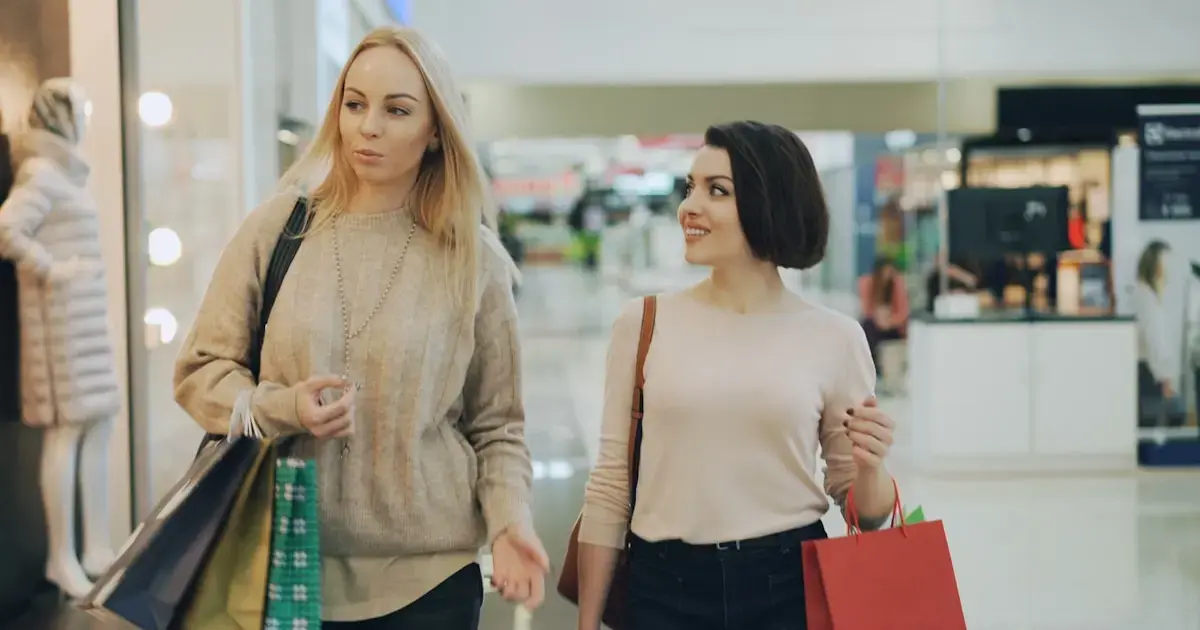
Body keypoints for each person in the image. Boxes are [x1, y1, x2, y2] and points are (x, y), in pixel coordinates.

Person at [173, 26, 548, 629]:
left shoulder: (471, 261)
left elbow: (497, 425)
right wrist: (281, 406)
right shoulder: (278, 229)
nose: (367, 126)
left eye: (396, 110)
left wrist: (511, 522)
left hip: (431, 582)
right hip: (279, 564)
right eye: (354, 104)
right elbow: (200, 372)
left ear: (434, 132)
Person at [574, 122, 898, 630]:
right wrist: (587, 624)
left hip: (790, 583)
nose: (689, 207)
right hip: (663, 588)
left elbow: (864, 508)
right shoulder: (643, 323)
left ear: (770, 203)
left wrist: (873, 466)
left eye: (717, 191)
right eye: (690, 188)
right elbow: (611, 483)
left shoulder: (834, 337)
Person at [1133, 240, 1183, 428]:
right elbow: (1155, 340)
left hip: (1146, 370)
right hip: (1151, 373)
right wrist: (1165, 376)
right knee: (1153, 425)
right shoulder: (1148, 298)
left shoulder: (1142, 294)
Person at [858, 257, 909, 372]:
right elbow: (866, 309)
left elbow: (903, 311)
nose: (887, 275)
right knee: (868, 328)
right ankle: (869, 367)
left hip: (893, 326)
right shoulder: (867, 282)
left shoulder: (897, 283)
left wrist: (890, 321)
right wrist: (879, 317)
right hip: (875, 322)